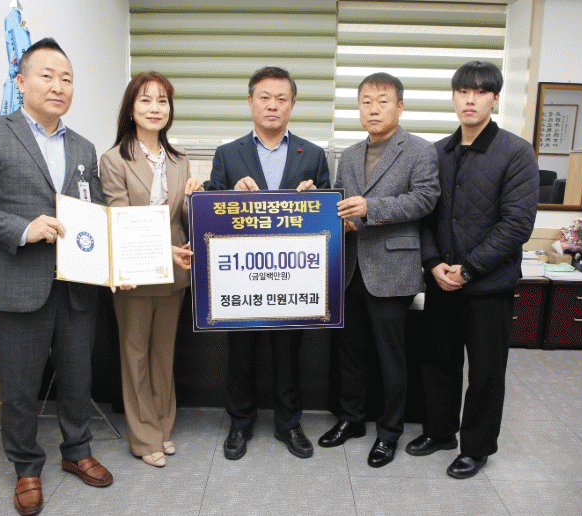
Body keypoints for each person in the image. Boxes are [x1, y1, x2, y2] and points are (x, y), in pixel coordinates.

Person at [0, 38, 113, 516]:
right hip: (17, 282)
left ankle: (77, 451)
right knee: (20, 386)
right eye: (47, 76)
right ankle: (26, 466)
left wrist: (118, 261)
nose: (58, 86)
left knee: (78, 377)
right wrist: (24, 229)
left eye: (67, 79)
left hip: (77, 285)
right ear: (20, 82)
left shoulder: (83, 147)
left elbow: (96, 214)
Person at [406, 61, 539, 479]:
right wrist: (433, 263)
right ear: (453, 97)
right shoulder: (437, 152)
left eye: (480, 92)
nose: (470, 99)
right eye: (463, 91)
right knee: (437, 362)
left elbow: (516, 225)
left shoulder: (516, 152)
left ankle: (476, 447)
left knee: (485, 373)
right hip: (440, 282)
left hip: (489, 286)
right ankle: (440, 432)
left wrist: (467, 270)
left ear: (495, 98)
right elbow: (424, 216)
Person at [318, 73, 440, 468]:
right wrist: (339, 217)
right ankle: (351, 419)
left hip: (392, 268)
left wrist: (372, 210)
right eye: (366, 101)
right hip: (350, 267)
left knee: (391, 357)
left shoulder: (419, 150)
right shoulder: (351, 154)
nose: (373, 109)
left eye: (382, 101)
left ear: (399, 107)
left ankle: (389, 432)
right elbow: (342, 203)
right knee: (350, 352)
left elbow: (425, 199)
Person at [208, 66, 330, 460]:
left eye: (281, 98)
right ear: (250, 102)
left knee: (288, 354)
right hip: (243, 277)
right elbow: (210, 212)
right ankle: (239, 423)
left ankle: (289, 424)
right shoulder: (228, 154)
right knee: (240, 352)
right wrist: (229, 194)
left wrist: (315, 198)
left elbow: (329, 217)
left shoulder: (313, 154)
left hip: (292, 277)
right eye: (264, 97)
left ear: (292, 104)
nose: (272, 105)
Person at [99, 72, 202, 468]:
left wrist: (195, 198)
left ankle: (163, 426)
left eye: (162, 101)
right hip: (135, 273)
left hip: (175, 272)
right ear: (131, 109)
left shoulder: (179, 159)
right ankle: (144, 438)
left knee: (163, 354)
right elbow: (120, 220)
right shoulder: (114, 159)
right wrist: (163, 250)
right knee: (136, 355)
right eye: (145, 100)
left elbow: (184, 218)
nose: (155, 108)